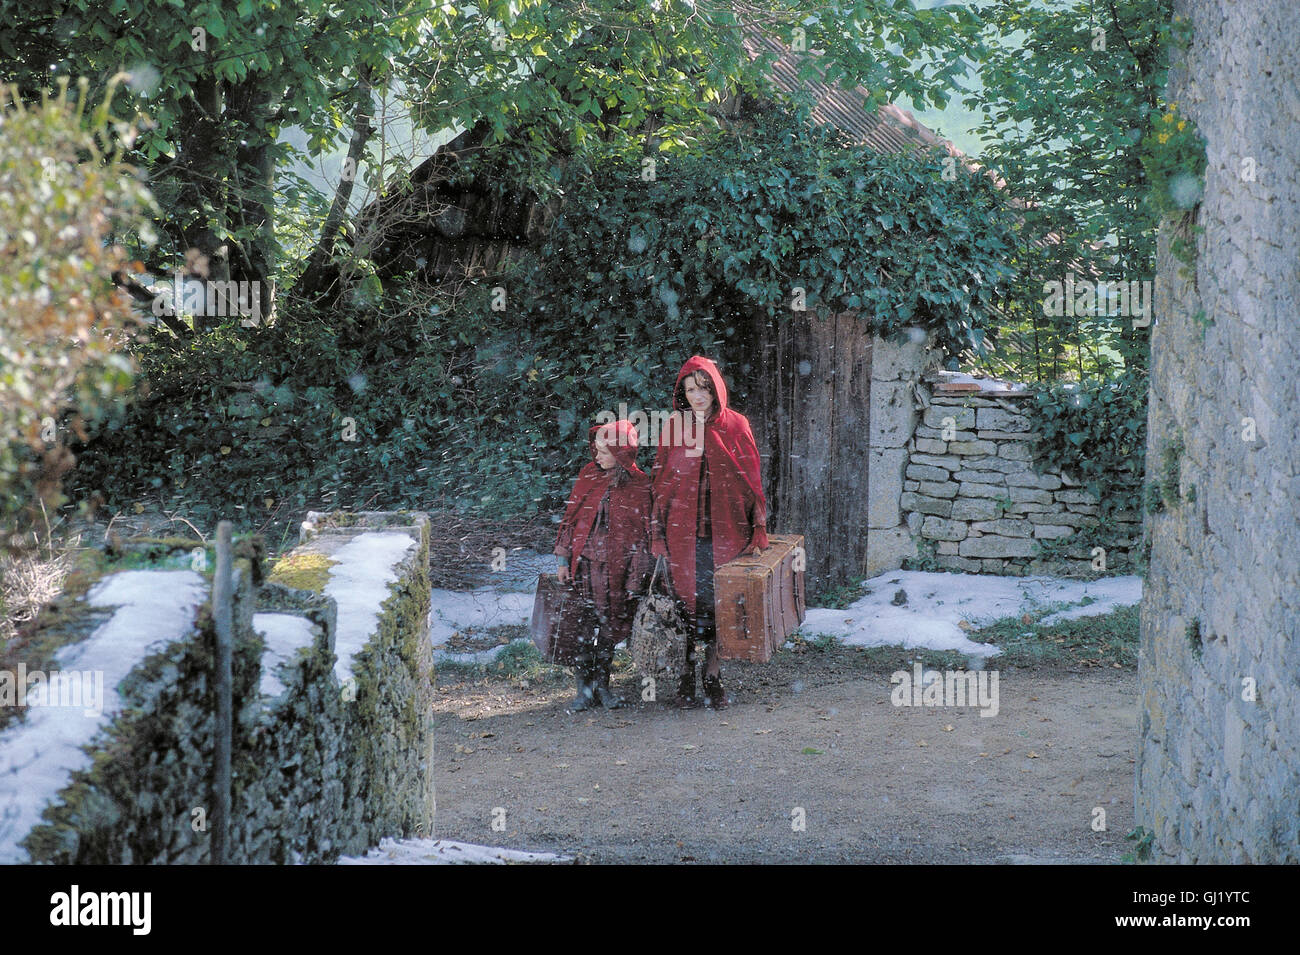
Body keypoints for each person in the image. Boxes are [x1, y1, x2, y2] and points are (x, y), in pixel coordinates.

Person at [651, 356, 767, 709]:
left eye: (703, 388)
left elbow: (751, 480)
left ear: (715, 388)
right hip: (681, 535)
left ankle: (713, 675)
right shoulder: (674, 426)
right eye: (690, 389)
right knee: (682, 607)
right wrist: (657, 533)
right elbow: (660, 484)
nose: (697, 395)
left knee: (721, 607)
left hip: (726, 532)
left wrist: (759, 527)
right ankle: (685, 676)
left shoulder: (735, 426)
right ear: (682, 393)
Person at [553, 419, 652, 711]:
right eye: (595, 451)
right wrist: (562, 560)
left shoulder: (640, 485)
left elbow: (643, 536)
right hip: (584, 568)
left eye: (604, 453)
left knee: (609, 629)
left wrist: (636, 579)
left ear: (622, 455)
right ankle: (583, 690)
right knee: (581, 627)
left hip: (617, 573)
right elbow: (571, 520)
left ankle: (603, 686)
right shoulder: (589, 475)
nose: (597, 457)